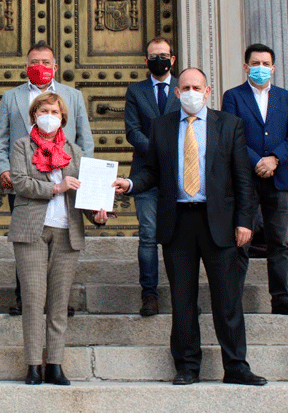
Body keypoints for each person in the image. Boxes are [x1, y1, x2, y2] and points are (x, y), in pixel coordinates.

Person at [113, 68, 266, 386]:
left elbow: (242, 178)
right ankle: (187, 366)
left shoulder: (229, 125)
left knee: (227, 299)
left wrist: (244, 221)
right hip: (178, 222)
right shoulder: (161, 126)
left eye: (197, 87)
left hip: (220, 223)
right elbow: (151, 173)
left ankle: (236, 365)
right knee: (183, 300)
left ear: (208, 91)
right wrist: (129, 183)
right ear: (177, 92)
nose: (191, 92)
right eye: (185, 87)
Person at [10, 92, 110, 386]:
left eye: (54, 111)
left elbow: (85, 193)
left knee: (58, 303)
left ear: (62, 117)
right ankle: (32, 365)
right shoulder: (21, 146)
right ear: (34, 115)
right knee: (32, 300)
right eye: (43, 110)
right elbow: (19, 182)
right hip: (32, 230)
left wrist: (99, 215)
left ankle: (54, 363)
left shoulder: (76, 152)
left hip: (67, 232)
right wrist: (55, 188)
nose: (49, 115)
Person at [0, 41, 94, 316]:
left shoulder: (72, 96)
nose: (40, 67)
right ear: (26, 67)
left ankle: (59, 301)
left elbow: (85, 139)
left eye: (46, 62)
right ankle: (24, 299)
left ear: (56, 66)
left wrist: (88, 181)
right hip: (24, 185)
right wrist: (3, 169)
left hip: (65, 183)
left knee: (62, 244)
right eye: (34, 62)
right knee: (26, 241)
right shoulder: (10, 97)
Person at [221, 43, 288, 317]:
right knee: (241, 240)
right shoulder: (233, 96)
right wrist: (257, 160)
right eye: (254, 63)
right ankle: (232, 299)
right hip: (245, 178)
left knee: (279, 242)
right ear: (246, 67)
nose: (260, 68)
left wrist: (274, 159)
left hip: (278, 178)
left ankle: (280, 298)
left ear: (273, 67)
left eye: (265, 63)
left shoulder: (286, 97)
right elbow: (231, 133)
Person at [123, 36, 181, 317]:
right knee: (147, 235)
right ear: (146, 61)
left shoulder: (185, 89)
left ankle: (182, 290)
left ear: (172, 59)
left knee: (177, 235)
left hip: (180, 175)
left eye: (164, 54)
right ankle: (149, 294)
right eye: (153, 55)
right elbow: (132, 131)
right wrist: (158, 149)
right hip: (145, 172)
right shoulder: (136, 91)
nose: (159, 59)